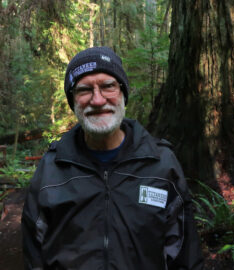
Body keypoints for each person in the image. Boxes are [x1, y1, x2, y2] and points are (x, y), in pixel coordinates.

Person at [22, 47, 204, 270]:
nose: (97, 100)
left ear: (123, 93)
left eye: (108, 86)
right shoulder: (52, 170)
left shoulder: (161, 164)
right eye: (84, 90)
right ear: (73, 100)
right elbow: (34, 254)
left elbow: (185, 255)